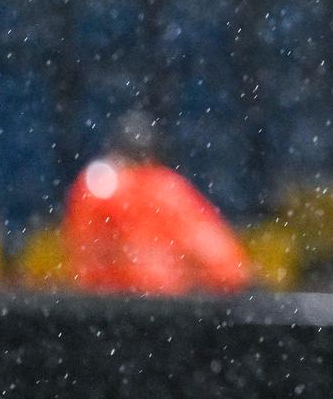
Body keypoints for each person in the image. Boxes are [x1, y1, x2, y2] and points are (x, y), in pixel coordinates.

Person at [62, 110, 254, 295]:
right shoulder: (165, 189)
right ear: (153, 156)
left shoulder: (91, 186)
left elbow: (81, 252)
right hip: (160, 311)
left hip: (97, 312)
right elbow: (226, 269)